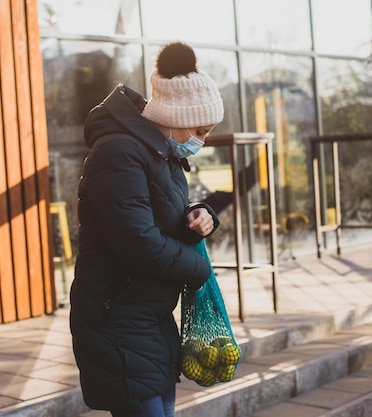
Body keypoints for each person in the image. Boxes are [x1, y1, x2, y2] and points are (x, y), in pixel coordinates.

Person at [69, 42, 224, 417]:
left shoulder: (158, 154)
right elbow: (137, 241)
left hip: (146, 318)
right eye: (200, 129)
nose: (201, 141)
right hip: (117, 319)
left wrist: (200, 216)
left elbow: (160, 218)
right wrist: (199, 269)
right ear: (175, 113)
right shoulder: (119, 152)